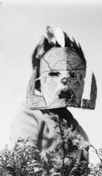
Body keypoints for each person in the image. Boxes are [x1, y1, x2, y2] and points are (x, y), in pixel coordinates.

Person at [10, 26, 96, 167]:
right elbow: (24, 152)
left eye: (73, 75)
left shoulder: (77, 130)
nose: (66, 80)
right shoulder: (31, 114)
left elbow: (82, 171)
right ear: (38, 84)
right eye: (55, 73)